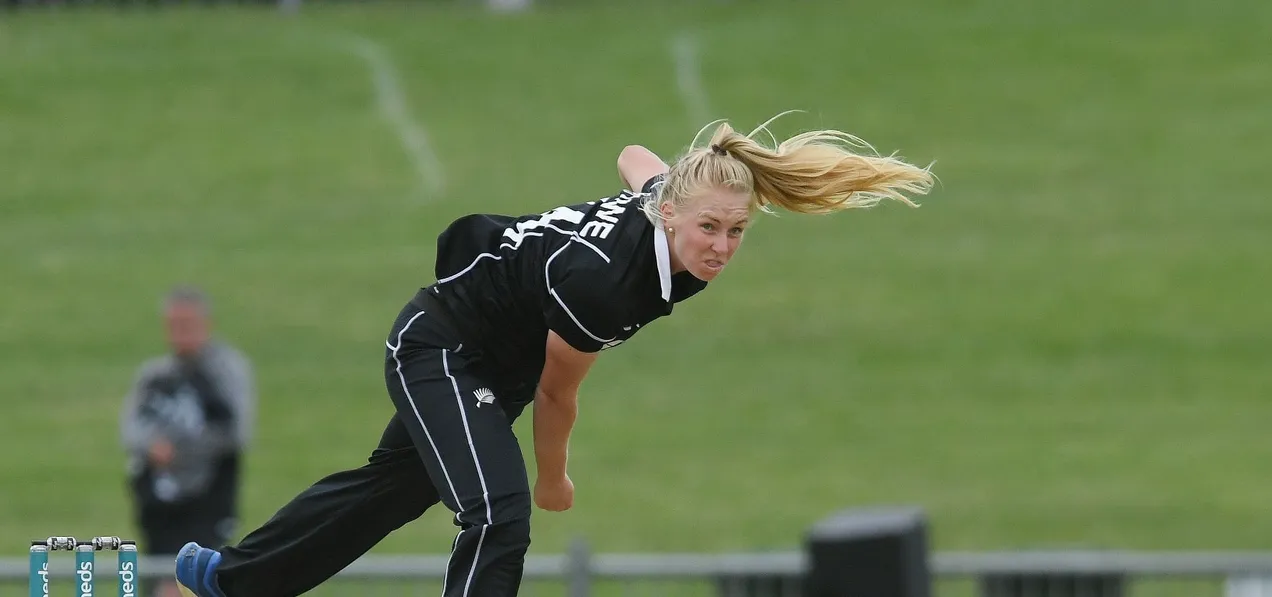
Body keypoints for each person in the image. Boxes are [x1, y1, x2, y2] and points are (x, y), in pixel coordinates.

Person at [173, 114, 936, 597]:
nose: (722, 247)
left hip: (490, 364)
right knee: (498, 515)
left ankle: (232, 578)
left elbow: (634, 152)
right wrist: (553, 476)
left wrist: (666, 187)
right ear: (670, 214)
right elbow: (559, 394)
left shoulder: (667, 208)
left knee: (394, 489)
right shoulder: (606, 287)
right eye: (710, 228)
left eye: (737, 231)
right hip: (442, 346)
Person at [120, 286, 255, 597]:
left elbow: (236, 432)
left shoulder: (227, 373)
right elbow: (130, 428)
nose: (179, 333)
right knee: (159, 580)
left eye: (187, 324)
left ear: (205, 323)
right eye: (173, 325)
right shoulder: (156, 376)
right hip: (159, 503)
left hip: (207, 499)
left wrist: (180, 451)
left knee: (197, 580)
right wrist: (151, 446)